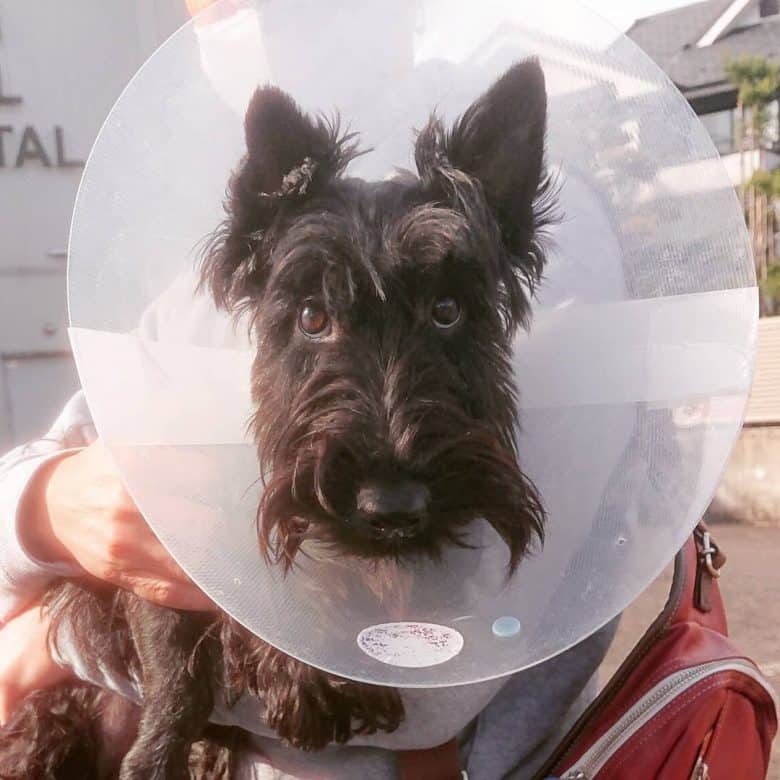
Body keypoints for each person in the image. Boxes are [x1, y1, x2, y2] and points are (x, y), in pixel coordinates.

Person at [0, 2, 619, 776]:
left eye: (446, 312)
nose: (251, 16)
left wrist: (46, 645)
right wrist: (46, 507)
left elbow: (420, 685)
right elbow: (67, 460)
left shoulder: (572, 250)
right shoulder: (218, 268)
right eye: (318, 318)